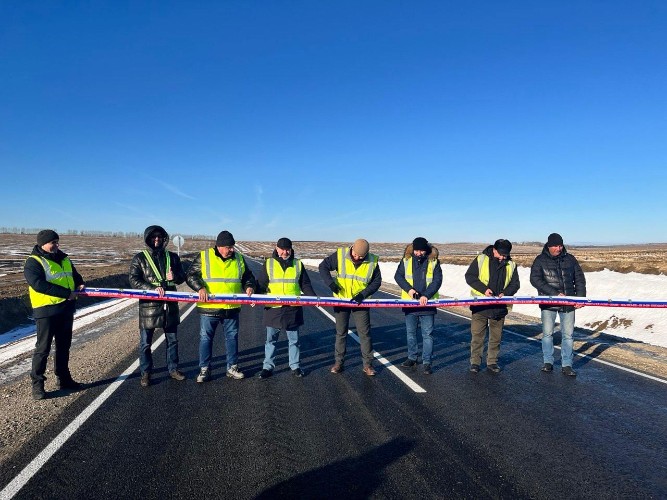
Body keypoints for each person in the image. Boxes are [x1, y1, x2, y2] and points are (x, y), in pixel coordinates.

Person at [186, 230, 256, 382]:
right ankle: (204, 369)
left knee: (232, 338)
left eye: (232, 247)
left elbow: (248, 277)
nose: (231, 250)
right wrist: (200, 287)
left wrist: (249, 286)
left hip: (231, 307)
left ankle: (232, 367)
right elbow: (191, 275)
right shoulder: (204, 256)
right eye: (228, 247)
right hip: (209, 307)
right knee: (206, 338)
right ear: (219, 246)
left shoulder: (239, 258)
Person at [24, 230, 85, 400]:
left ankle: (64, 379)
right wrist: (67, 293)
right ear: (42, 243)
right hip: (46, 311)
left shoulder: (64, 258)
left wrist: (80, 283)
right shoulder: (33, 262)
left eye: (58, 242)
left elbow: (74, 275)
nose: (57, 245)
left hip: (66, 309)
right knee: (43, 349)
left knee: (64, 347)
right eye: (53, 243)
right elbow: (38, 284)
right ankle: (38, 385)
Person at [129, 225, 186, 387]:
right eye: (153, 237)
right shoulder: (140, 258)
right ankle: (146, 373)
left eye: (159, 237)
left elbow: (182, 278)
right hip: (149, 306)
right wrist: (151, 289)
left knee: (173, 340)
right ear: (148, 239)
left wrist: (174, 276)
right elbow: (133, 279)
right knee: (146, 343)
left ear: (164, 239)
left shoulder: (173, 257)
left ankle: (173, 369)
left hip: (170, 306)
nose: (157, 240)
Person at [319, 239, 382, 376]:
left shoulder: (372, 261)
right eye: (355, 254)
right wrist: (331, 284)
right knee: (341, 332)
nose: (357, 258)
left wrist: (363, 294)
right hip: (342, 300)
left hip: (361, 302)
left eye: (361, 256)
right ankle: (338, 363)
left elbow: (377, 281)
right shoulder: (341, 255)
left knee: (364, 334)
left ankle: (368, 365)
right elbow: (323, 266)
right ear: (352, 248)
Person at [255, 238, 316, 379]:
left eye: (287, 249)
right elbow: (262, 284)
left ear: (291, 249)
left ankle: (295, 366)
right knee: (271, 340)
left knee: (294, 340)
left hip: (292, 309)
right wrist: (253, 296)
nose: (284, 252)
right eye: (282, 249)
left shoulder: (298, 264)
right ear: (276, 248)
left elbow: (305, 284)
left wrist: (313, 298)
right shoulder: (269, 263)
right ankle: (267, 367)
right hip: (273, 309)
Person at [530, 233, 586, 377]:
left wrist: (580, 298)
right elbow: (535, 279)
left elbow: (579, 279)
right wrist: (553, 293)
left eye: (560, 245)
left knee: (568, 335)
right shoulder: (540, 260)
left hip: (568, 304)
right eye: (555, 246)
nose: (558, 248)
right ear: (549, 246)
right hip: (548, 304)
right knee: (547, 333)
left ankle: (567, 364)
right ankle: (547, 362)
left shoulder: (570, 259)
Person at [464, 239, 520, 374]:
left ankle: (492, 362)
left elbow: (515, 284)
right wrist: (484, 290)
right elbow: (470, 277)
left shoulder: (511, 264)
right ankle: (475, 362)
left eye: (505, 255)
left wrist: (505, 293)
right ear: (494, 250)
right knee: (477, 336)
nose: (503, 257)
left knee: (496, 337)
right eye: (501, 254)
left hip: (499, 307)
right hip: (480, 306)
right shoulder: (481, 259)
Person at [394, 237, 443, 375]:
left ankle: (427, 361)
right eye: (416, 250)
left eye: (421, 250)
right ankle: (412, 357)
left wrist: (426, 295)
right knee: (410, 333)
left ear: (426, 250)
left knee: (427, 334)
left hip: (427, 305)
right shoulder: (406, 260)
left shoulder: (433, 262)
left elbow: (437, 281)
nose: (418, 253)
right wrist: (409, 290)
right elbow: (398, 277)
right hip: (410, 305)